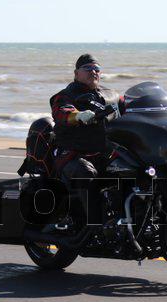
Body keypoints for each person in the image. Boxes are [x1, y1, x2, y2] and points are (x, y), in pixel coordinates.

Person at [49, 54, 124, 222]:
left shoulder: (110, 94)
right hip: (72, 155)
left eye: (96, 69)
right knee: (86, 172)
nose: (93, 72)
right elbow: (62, 112)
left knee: (133, 167)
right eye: (88, 68)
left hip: (103, 153)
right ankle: (95, 225)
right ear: (76, 73)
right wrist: (78, 115)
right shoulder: (66, 95)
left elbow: (132, 105)